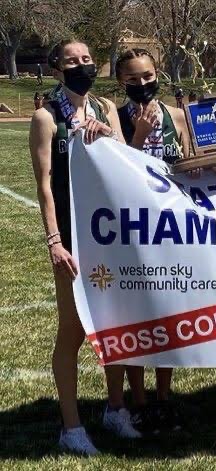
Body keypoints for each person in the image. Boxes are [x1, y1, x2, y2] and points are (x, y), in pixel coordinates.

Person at [29, 39, 141, 456]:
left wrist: (109, 135)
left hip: (108, 235)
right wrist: (54, 241)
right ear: (57, 69)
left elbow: (126, 165)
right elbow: (44, 187)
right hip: (73, 240)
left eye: (88, 59)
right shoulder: (46, 116)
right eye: (73, 61)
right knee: (73, 331)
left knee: (116, 324)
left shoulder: (106, 108)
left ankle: (116, 408)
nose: (82, 66)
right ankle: (71, 427)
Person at [115, 48, 190, 433]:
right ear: (121, 83)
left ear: (157, 73)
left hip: (174, 230)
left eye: (147, 75)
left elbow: (191, 165)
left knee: (167, 317)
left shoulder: (177, 115)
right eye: (133, 79)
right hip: (133, 232)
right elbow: (114, 177)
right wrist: (138, 137)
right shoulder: (115, 118)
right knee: (136, 319)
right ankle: (138, 400)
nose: (142, 84)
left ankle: (163, 397)